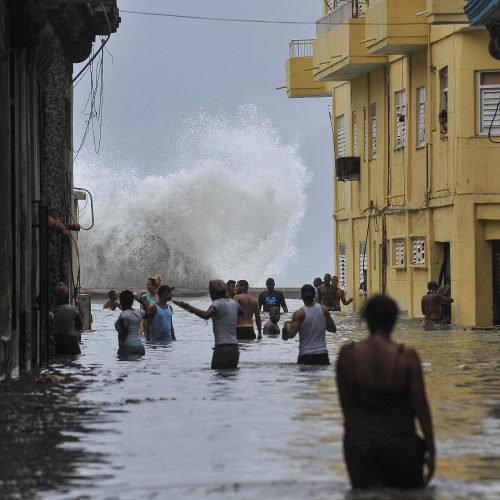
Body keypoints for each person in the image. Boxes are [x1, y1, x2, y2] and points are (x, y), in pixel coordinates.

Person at [336, 294, 435, 489]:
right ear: (394, 319)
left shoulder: (348, 355)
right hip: (400, 445)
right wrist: (432, 450)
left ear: (366, 319)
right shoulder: (406, 356)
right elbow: (421, 406)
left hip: (359, 446)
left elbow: (346, 406)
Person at [173, 280, 241, 369]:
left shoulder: (217, 303)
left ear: (213, 292)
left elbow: (206, 315)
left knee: (218, 379)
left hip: (222, 348)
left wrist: (189, 307)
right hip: (235, 348)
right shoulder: (233, 303)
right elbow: (242, 312)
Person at [282, 284, 337, 365]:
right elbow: (333, 329)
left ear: (302, 296)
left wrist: (287, 326)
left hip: (305, 355)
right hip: (322, 354)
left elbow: (291, 335)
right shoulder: (324, 309)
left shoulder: (299, 314)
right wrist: (320, 324)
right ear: (314, 296)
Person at [115, 290, 151, 357]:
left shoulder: (124, 314)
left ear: (121, 301)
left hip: (128, 347)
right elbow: (149, 313)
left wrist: (122, 341)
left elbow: (125, 328)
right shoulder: (139, 312)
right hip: (140, 347)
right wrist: (142, 301)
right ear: (132, 302)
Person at [54, 283, 83, 355]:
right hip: (71, 341)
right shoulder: (72, 309)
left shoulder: (53, 311)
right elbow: (80, 326)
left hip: (58, 341)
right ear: (67, 297)